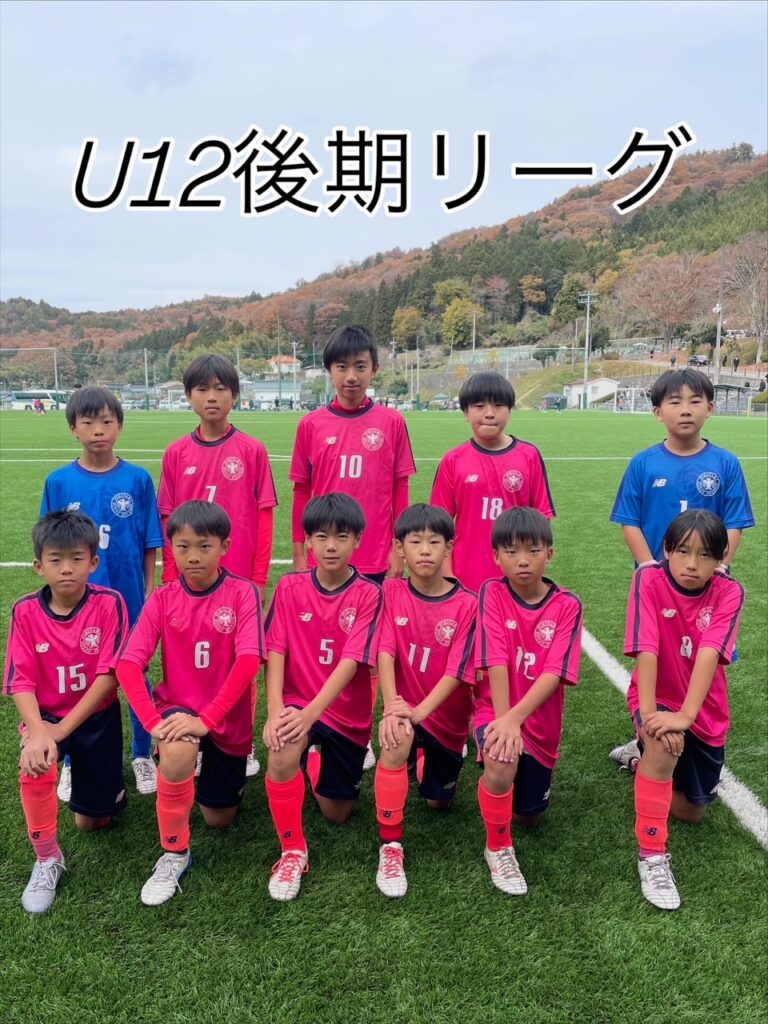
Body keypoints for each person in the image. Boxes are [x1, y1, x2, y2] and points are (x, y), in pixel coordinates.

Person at [116, 501, 264, 906]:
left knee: (219, 819)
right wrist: (153, 723)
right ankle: (174, 853)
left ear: (224, 547)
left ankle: (197, 769)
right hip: (178, 711)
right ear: (172, 549)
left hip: (226, 718)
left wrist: (208, 720)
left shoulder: (242, 593)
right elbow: (128, 664)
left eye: (204, 546)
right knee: (178, 748)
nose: (193, 556)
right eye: (183, 547)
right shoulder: (163, 599)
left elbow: (249, 661)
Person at [609, 369, 754, 770]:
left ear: (711, 408)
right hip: (659, 587)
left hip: (705, 585)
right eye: (674, 402)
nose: (685, 410)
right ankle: (646, 733)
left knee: (705, 654)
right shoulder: (643, 464)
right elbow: (629, 521)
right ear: (658, 412)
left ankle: (697, 726)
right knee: (655, 654)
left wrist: (719, 567)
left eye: (695, 401)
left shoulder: (725, 463)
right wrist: (649, 568)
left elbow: (735, 523)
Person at [289, 325, 416, 769]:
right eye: (341, 367)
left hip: (375, 555)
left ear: (374, 369)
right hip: (324, 560)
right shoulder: (310, 425)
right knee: (323, 644)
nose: (350, 376)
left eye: (360, 366)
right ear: (328, 370)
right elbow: (301, 493)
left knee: (372, 652)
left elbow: (400, 488)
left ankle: (359, 731)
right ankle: (321, 724)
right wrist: (300, 551)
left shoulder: (392, 422)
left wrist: (398, 548)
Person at [40, 386, 164, 800]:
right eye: (88, 422)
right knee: (82, 679)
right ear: (73, 429)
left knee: (135, 675)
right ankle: (73, 761)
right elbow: (50, 545)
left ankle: (142, 754)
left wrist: (148, 593)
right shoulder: (59, 482)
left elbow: (150, 542)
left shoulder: (137, 479)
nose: (98, 430)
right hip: (78, 605)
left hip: (127, 601)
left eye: (107, 421)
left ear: (119, 427)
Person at [158, 354, 277, 779]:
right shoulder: (176, 453)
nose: (212, 397)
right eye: (202, 389)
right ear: (188, 396)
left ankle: (240, 743)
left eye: (221, 389)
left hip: (238, 580)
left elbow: (264, 516)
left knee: (241, 659)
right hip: (188, 581)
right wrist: (170, 577)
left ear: (235, 396)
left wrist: (259, 579)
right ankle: (187, 730)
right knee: (185, 657)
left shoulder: (251, 450)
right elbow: (168, 519)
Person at [4, 511, 128, 913]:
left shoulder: (109, 603)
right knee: (34, 761)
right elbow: (20, 681)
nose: (67, 568)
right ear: (39, 566)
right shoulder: (25, 611)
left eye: (77, 558)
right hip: (45, 718)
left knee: (92, 823)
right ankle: (47, 859)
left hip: (96, 719)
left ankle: (90, 779)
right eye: (55, 560)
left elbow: (110, 676)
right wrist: (41, 733)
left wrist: (62, 731)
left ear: (93, 562)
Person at [262, 493, 383, 901]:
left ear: (358, 540)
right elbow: (275, 649)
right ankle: (293, 851)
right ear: (308, 541)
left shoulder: (369, 593)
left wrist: (310, 715)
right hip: (298, 703)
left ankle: (313, 761)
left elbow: (351, 662)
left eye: (341, 537)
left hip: (344, 715)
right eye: (321, 536)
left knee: (338, 813)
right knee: (282, 749)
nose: (331, 546)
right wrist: (276, 711)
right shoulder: (290, 586)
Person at [623, 510, 744, 911]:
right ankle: (652, 855)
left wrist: (686, 717)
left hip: (703, 708)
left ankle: (640, 764)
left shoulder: (729, 592)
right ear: (666, 550)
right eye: (683, 551)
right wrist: (651, 716)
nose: (692, 564)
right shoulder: (648, 579)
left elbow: (709, 653)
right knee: (663, 745)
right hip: (655, 696)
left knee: (692, 812)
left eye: (705, 555)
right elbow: (646, 647)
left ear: (720, 559)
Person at [474, 507, 583, 895]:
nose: (523, 560)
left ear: (549, 554)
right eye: (512, 551)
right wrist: (504, 722)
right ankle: (498, 848)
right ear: (496, 556)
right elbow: (496, 659)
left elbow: (554, 673)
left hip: (539, 726)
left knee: (530, 817)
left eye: (533, 550)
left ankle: (504, 778)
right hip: (495, 710)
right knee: (502, 759)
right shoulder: (492, 592)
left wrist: (516, 721)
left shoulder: (568, 605)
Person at [374, 504, 477, 897]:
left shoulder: (468, 604)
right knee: (396, 738)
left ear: (449, 547)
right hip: (403, 708)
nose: (425, 550)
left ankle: (427, 761)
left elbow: (456, 671)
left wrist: (418, 713)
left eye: (435, 542)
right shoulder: (391, 591)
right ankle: (391, 846)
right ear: (400, 549)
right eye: (415, 542)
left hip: (444, 718)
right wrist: (393, 707)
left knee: (438, 802)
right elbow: (385, 651)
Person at [431, 371, 555, 596]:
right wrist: (447, 576)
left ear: (510, 411)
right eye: (479, 406)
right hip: (465, 578)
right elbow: (439, 527)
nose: (489, 414)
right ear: (465, 412)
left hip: (517, 577)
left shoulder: (529, 456)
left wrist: (535, 569)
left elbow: (541, 519)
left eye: (498, 405)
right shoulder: (453, 460)